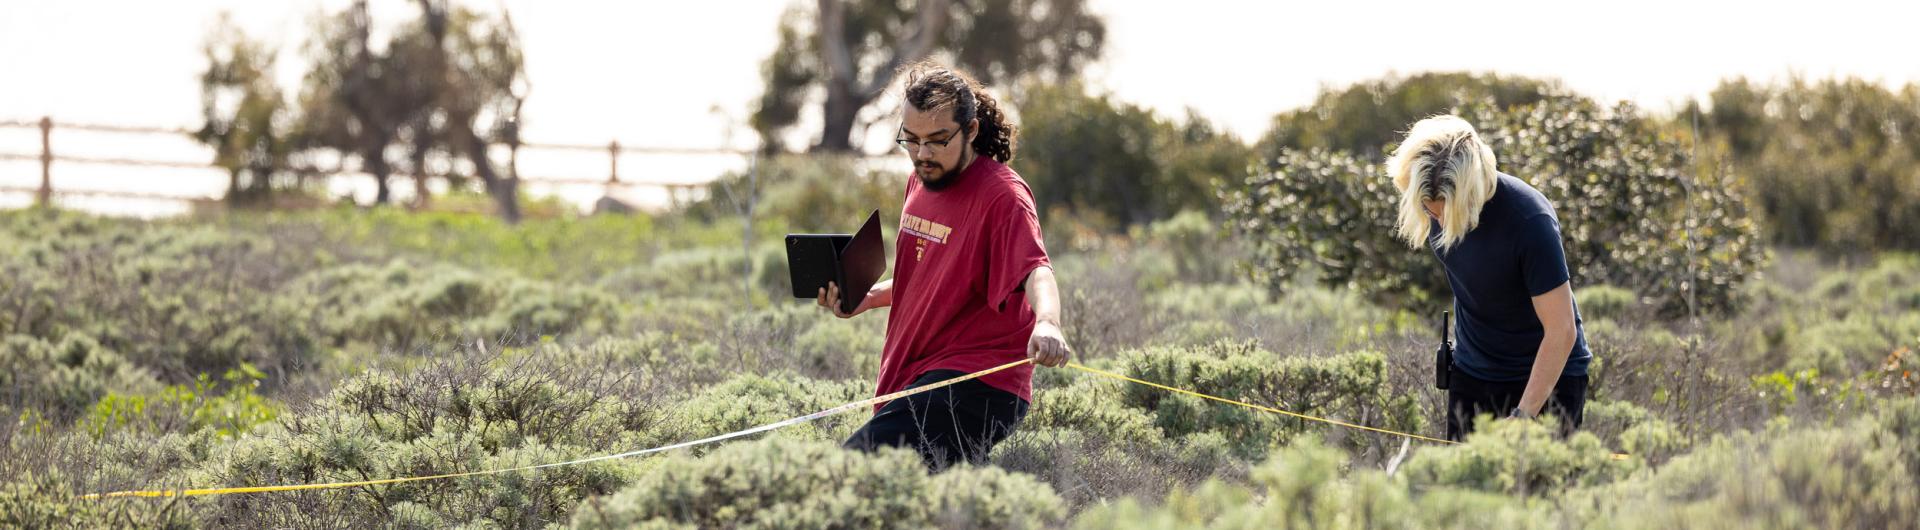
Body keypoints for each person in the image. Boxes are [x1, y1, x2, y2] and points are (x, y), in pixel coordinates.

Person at [816, 61, 1072, 470]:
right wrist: (867, 298)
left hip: (977, 383)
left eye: (937, 140)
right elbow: (931, 272)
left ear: (970, 130)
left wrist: (1048, 323)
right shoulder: (920, 179)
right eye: (911, 140)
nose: (922, 154)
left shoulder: (1003, 196)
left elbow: (1036, 269)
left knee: (853, 472)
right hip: (916, 375)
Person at [1385, 115, 1593, 441]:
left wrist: (1524, 415)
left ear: (1470, 191)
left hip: (1545, 378)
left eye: (1444, 209)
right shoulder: (1433, 200)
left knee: (1536, 491)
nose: (1436, 218)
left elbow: (1561, 330)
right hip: (1473, 372)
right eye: (1429, 209)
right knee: (1464, 488)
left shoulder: (1529, 221)